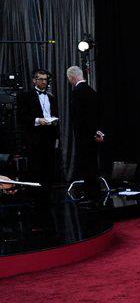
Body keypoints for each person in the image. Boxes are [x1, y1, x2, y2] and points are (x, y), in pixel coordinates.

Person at [17, 69, 59, 200]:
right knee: (36, 168)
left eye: (45, 79)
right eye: (41, 79)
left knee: (49, 167)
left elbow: (55, 115)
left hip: (49, 137)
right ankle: (35, 198)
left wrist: (56, 135)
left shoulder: (51, 96)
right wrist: (37, 120)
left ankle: (48, 196)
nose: (44, 82)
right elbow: (21, 117)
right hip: (34, 138)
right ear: (34, 80)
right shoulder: (26, 96)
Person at [67, 66, 104, 202]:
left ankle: (91, 195)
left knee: (86, 167)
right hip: (95, 135)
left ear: (71, 78)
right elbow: (98, 115)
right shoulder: (92, 92)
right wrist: (99, 132)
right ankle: (96, 194)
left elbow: (79, 118)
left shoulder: (76, 92)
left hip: (84, 137)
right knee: (93, 165)